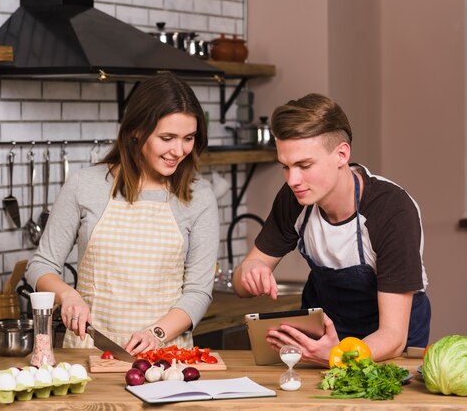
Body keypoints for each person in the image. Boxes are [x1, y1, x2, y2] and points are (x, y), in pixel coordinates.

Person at [26, 73, 219, 356]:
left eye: (188, 138)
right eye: (167, 138)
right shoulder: (86, 185)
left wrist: (156, 333)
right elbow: (40, 266)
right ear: (136, 131)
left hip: (165, 358)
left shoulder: (199, 197)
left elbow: (198, 292)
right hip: (88, 353)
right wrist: (68, 295)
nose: (178, 151)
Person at [232, 93, 431, 367]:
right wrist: (251, 270)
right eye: (285, 167)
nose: (292, 180)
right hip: (324, 341)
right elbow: (241, 284)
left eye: (304, 165)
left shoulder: (392, 211)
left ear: (341, 154)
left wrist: (337, 356)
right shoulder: (295, 199)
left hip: (389, 351)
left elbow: (393, 335)